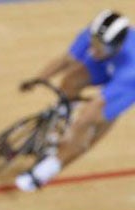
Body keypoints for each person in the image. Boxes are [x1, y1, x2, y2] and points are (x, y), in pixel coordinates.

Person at [15, 10, 132, 191]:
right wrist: (38, 79)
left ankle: (46, 171)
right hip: (107, 63)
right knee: (70, 80)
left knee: (86, 122)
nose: (93, 50)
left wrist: (79, 126)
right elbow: (65, 60)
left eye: (100, 47)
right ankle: (60, 121)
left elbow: (99, 103)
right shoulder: (96, 37)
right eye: (93, 43)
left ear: (117, 46)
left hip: (127, 83)